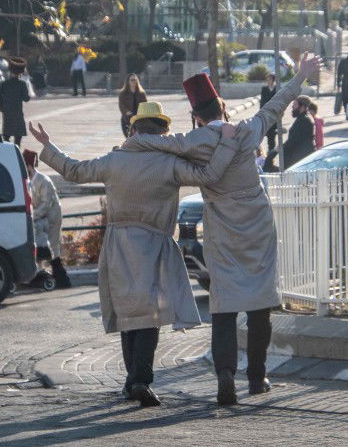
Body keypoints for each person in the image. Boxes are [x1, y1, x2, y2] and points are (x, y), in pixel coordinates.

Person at [126, 53, 321, 405]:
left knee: (224, 307)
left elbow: (155, 142)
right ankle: (257, 376)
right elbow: (277, 105)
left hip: (222, 230)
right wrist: (301, 75)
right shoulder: (247, 131)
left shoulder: (192, 142)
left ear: (196, 114)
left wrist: (128, 145)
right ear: (222, 106)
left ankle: (225, 374)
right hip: (257, 227)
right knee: (261, 304)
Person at [29, 103, 241, 407]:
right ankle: (140, 379)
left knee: (128, 313)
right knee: (149, 315)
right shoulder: (169, 164)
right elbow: (209, 174)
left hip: (118, 243)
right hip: (153, 243)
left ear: (135, 130)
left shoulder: (115, 160)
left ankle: (133, 381)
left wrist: (48, 145)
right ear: (163, 131)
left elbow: (74, 170)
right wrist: (229, 142)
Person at [23, 149, 71, 288]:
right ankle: (42, 275)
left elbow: (46, 203)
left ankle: (62, 279)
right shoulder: (30, 181)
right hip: (42, 216)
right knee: (42, 246)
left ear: (30, 166)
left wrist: (32, 215)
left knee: (53, 246)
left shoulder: (43, 181)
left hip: (52, 217)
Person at [0, 57, 30, 146]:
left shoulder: (5, 84)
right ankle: (16, 153)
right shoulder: (22, 84)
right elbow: (26, 99)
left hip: (7, 112)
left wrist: (1, 108)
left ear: (10, 70)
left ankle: (8, 153)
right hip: (17, 112)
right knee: (18, 137)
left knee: (6, 135)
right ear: (21, 72)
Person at [282, 95, 317, 169]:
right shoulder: (302, 118)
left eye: (295, 105)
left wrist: (281, 148)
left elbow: (294, 140)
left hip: (301, 160)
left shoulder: (304, 120)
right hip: (300, 159)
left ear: (302, 107)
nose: (292, 107)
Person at [118, 74, 148, 138]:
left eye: (135, 80)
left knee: (140, 136)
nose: (134, 81)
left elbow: (145, 104)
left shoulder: (141, 93)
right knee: (128, 136)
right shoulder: (123, 93)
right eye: (132, 80)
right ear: (128, 81)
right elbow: (121, 105)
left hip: (139, 118)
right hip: (127, 118)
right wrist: (126, 112)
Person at [260, 73, 278, 153]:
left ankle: (271, 152)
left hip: (274, 116)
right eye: (267, 79)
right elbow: (262, 102)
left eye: (269, 79)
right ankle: (268, 152)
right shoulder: (264, 89)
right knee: (267, 135)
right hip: (266, 115)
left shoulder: (277, 89)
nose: (268, 81)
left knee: (272, 136)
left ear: (273, 80)